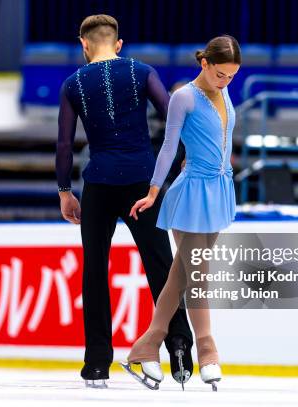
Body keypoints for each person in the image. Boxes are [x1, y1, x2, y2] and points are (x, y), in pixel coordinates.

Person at [55, 14, 194, 389]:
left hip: (98, 184)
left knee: (95, 271)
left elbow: (65, 144)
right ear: (118, 44)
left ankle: (97, 363)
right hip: (142, 182)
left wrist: (65, 191)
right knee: (161, 265)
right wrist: (185, 158)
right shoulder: (142, 71)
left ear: (84, 45)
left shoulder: (73, 83)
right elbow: (174, 118)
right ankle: (180, 347)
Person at [122, 35, 241, 391]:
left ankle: (145, 346)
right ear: (204, 63)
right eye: (221, 74)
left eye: (232, 76)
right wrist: (154, 189)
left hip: (219, 191)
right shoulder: (183, 97)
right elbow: (169, 145)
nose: (225, 81)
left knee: (180, 277)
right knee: (198, 274)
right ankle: (207, 348)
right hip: (191, 193)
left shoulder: (224, 91)